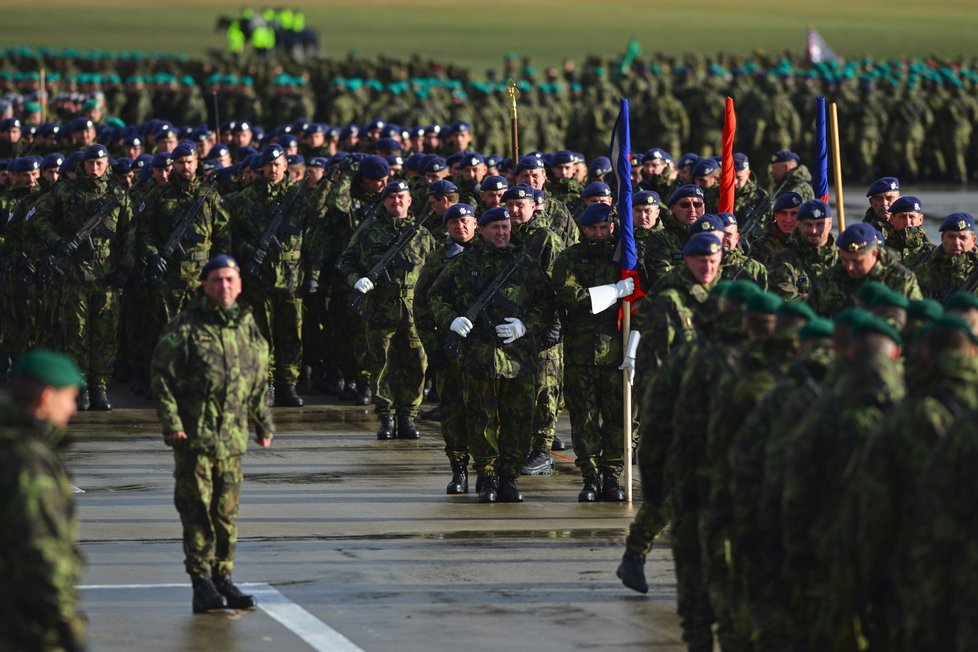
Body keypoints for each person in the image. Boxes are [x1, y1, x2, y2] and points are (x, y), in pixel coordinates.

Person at [151, 254, 275, 614]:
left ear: (239, 285)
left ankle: (223, 575)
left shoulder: (247, 326)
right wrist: (172, 422)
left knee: (226, 514)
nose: (224, 286)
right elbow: (161, 378)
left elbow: (257, 379)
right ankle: (201, 581)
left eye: (230, 280)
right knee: (197, 513)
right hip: (195, 440)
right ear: (205, 285)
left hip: (231, 442)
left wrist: (263, 422)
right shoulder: (186, 327)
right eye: (217, 280)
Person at [428, 207, 556, 503]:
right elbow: (436, 296)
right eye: (495, 227)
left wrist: (526, 326)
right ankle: (486, 476)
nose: (501, 232)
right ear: (482, 230)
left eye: (505, 227)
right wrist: (451, 319)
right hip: (478, 357)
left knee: (519, 419)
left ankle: (509, 477)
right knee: (481, 419)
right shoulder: (464, 263)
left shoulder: (524, 265)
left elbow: (547, 304)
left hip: (518, 358)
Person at [0, 349, 86, 651]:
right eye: (70, 397)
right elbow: (42, 556)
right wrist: (68, 627)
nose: (73, 409)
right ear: (47, 397)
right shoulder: (31, 464)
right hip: (24, 626)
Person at [339, 179, 437, 440]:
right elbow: (346, 261)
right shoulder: (369, 231)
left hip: (414, 308)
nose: (397, 201)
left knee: (416, 363)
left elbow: (437, 273)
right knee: (381, 363)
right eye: (392, 197)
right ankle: (386, 417)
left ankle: (408, 415)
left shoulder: (422, 235)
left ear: (410, 200)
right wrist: (356, 280)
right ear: (384, 201)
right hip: (380, 307)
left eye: (402, 197)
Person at [551, 203, 633, 502]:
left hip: (617, 352)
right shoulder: (570, 258)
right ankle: (590, 477)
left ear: (613, 226)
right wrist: (613, 291)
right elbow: (569, 295)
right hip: (580, 353)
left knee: (617, 419)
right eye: (592, 229)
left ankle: (612, 476)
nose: (598, 234)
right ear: (582, 230)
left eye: (604, 228)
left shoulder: (625, 256)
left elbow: (640, 297)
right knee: (584, 420)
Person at [809, 221, 923, 317]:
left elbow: (918, 321)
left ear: (874, 253)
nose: (849, 267)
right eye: (844, 260)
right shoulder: (828, 280)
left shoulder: (901, 279)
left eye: (857, 261)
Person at [914, 212, 978, 300]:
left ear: (973, 240)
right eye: (951, 237)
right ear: (942, 238)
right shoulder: (926, 270)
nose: (956, 242)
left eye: (962, 238)